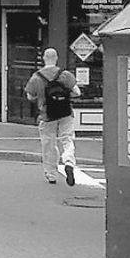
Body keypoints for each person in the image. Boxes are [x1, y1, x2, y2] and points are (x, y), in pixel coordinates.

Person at [24, 47, 81, 185]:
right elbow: (77, 92)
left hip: (47, 115)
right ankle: (68, 161)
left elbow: (30, 96)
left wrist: (41, 96)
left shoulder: (36, 77)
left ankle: (51, 174)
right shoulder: (65, 75)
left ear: (44, 58)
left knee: (49, 143)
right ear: (56, 58)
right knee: (67, 139)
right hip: (65, 112)